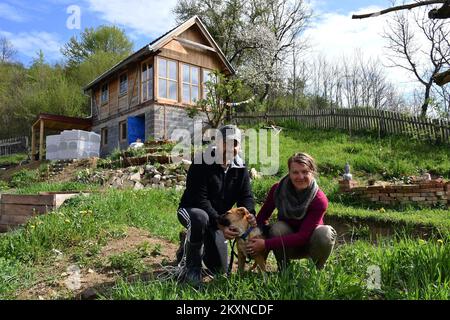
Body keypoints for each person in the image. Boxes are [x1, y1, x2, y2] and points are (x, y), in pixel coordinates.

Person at [176, 124, 257, 287]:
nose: (229, 147)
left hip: (217, 219)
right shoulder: (201, 162)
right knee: (200, 219)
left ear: (239, 146)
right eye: (225, 142)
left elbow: (246, 196)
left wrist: (250, 215)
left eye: (234, 143)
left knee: (218, 269)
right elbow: (200, 200)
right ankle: (192, 268)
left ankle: (188, 242)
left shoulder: (240, 167)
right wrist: (221, 225)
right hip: (192, 210)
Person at [247, 152, 337, 271]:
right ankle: (284, 270)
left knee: (324, 233)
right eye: (295, 172)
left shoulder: (319, 200)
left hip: (310, 244)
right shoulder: (278, 190)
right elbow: (262, 217)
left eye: (305, 172)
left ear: (312, 172)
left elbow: (303, 237)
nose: (300, 177)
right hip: (285, 244)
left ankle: (317, 271)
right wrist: (254, 236)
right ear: (289, 173)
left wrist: (265, 244)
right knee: (278, 228)